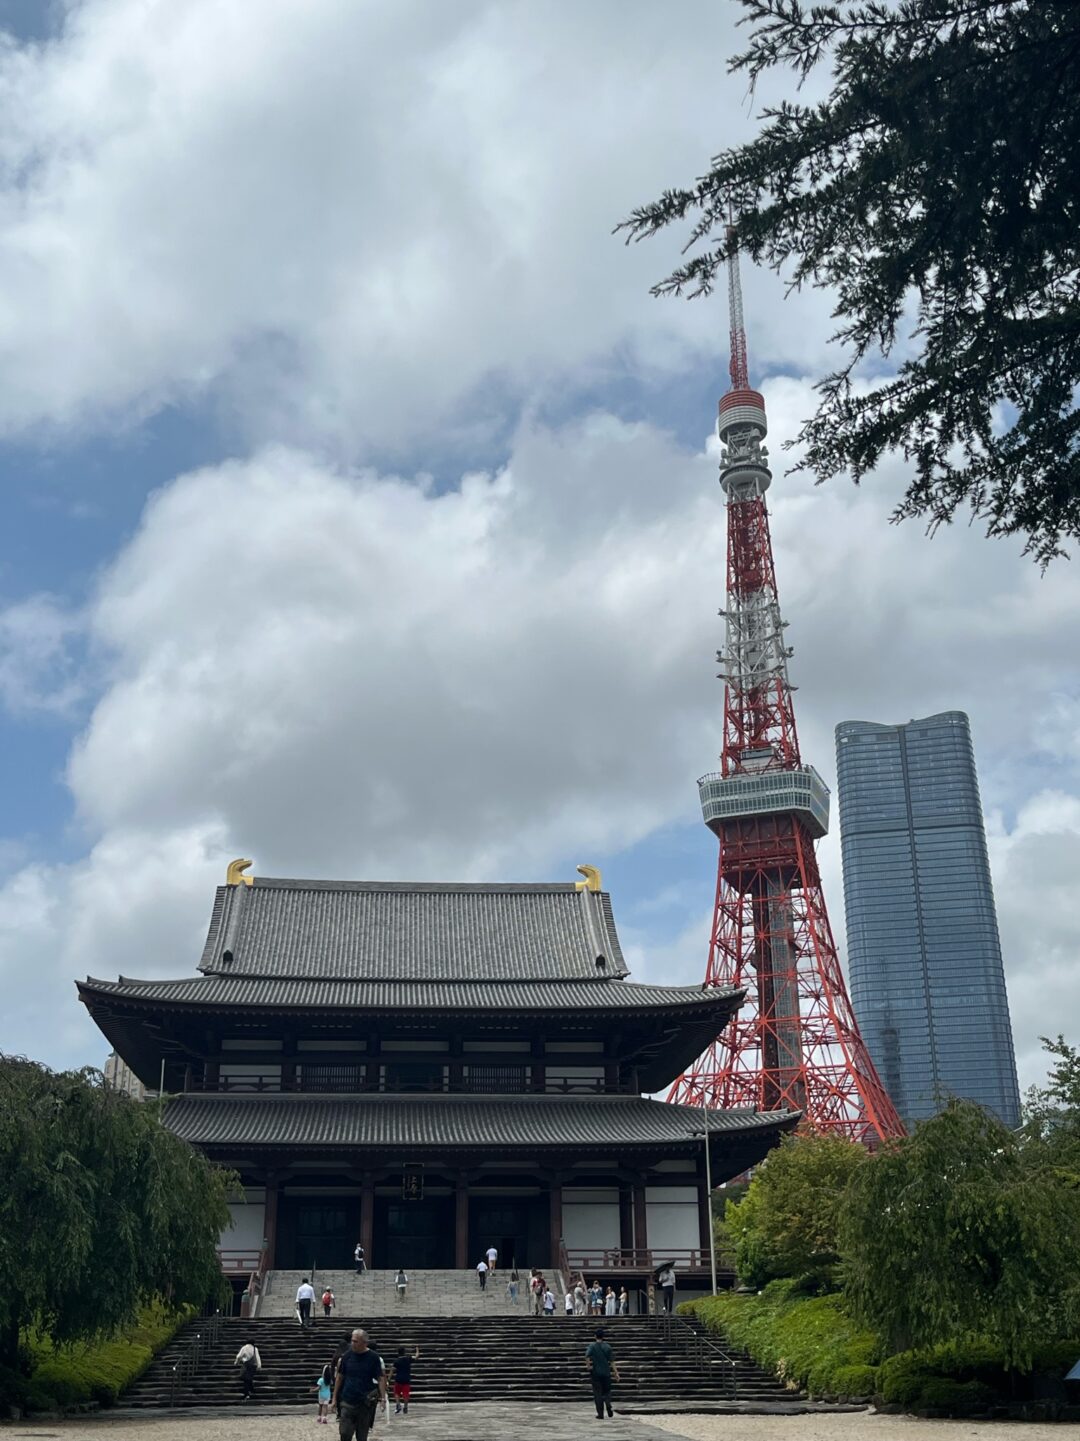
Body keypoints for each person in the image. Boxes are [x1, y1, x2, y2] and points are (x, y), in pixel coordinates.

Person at [333, 1329, 386, 1441]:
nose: (352, 1343)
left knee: (362, 1436)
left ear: (364, 1343)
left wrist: (382, 1399)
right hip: (347, 1400)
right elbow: (339, 1377)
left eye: (355, 1341)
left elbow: (380, 1378)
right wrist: (334, 1399)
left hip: (365, 1403)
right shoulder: (347, 1356)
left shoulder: (373, 1358)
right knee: (344, 1433)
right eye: (352, 1341)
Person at [585, 1326, 620, 1420]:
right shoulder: (607, 1347)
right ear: (603, 1336)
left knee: (597, 1393)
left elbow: (587, 1356)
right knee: (607, 1391)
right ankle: (608, 1403)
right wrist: (616, 1373)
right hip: (606, 1372)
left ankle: (600, 1413)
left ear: (595, 1336)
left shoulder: (592, 1346)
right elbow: (612, 1361)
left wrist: (589, 1367)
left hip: (596, 1372)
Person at [391, 1345, 419, 1415]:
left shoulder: (396, 1361)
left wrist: (388, 1378)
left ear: (398, 1352)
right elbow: (416, 1356)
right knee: (406, 1394)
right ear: (404, 1352)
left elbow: (392, 1370)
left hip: (398, 1379)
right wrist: (417, 1349)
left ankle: (398, 1405)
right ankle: (405, 1406)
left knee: (397, 1392)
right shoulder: (408, 1359)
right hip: (406, 1379)